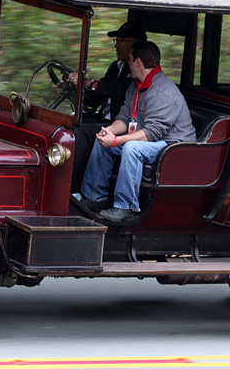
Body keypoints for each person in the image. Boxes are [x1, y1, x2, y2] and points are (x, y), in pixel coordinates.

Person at [76, 40, 196, 223]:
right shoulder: (135, 85)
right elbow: (124, 117)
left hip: (174, 145)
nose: (128, 64)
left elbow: (152, 133)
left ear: (138, 62)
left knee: (132, 148)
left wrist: (116, 141)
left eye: (130, 60)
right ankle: (94, 198)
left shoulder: (163, 91)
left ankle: (126, 207)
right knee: (103, 142)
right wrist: (108, 132)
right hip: (154, 139)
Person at [65, 22, 146, 192]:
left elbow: (118, 90)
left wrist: (91, 83)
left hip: (121, 124)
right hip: (105, 117)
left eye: (122, 41)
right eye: (116, 41)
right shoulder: (115, 66)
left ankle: (71, 188)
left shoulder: (138, 71)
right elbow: (99, 98)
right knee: (69, 121)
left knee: (82, 131)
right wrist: (75, 89)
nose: (116, 45)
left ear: (135, 45)